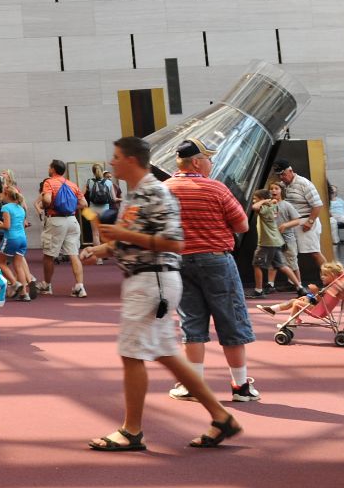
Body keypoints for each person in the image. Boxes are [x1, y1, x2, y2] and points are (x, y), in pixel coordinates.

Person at [82, 137, 240, 453]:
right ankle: (221, 417)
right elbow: (138, 237)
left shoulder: (155, 191)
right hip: (149, 281)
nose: (111, 163)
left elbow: (173, 242)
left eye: (116, 157)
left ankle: (132, 430)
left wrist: (123, 235)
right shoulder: (138, 194)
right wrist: (104, 246)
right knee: (166, 352)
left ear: (131, 160)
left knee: (132, 353)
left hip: (152, 281)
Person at [162, 140, 259, 404]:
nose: (211, 163)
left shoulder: (163, 190)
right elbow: (242, 225)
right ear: (196, 162)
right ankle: (240, 387)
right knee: (231, 320)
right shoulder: (216, 188)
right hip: (217, 260)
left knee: (191, 323)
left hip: (179, 262)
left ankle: (193, 386)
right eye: (208, 159)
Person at [38, 160, 89, 297]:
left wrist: (45, 203)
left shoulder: (49, 182)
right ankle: (80, 287)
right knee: (73, 254)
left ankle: (47, 285)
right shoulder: (72, 184)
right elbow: (84, 203)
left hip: (55, 221)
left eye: (49, 166)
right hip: (72, 221)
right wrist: (71, 207)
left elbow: (47, 200)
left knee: (49, 255)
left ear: (53, 169)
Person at [275, 161, 327, 293]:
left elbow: (317, 204)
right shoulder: (281, 185)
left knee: (314, 252)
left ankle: (331, 280)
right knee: (290, 254)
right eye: (279, 175)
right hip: (292, 223)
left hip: (305, 220)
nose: (282, 177)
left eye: (283, 174)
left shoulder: (304, 183)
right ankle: (294, 283)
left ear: (290, 171)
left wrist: (309, 222)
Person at [250, 183, 304, 297]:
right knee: (281, 265)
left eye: (255, 199)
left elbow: (255, 207)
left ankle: (258, 290)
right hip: (276, 241)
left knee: (257, 265)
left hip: (267, 242)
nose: (254, 201)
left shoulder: (264, 209)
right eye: (272, 189)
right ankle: (299, 287)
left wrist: (264, 201)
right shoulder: (273, 206)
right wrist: (268, 201)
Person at [0, 183, 35, 300]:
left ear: (6, 195)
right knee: (18, 265)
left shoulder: (6, 208)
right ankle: (24, 293)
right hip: (22, 239)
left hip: (11, 238)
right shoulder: (20, 208)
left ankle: (14, 283)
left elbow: (7, 226)